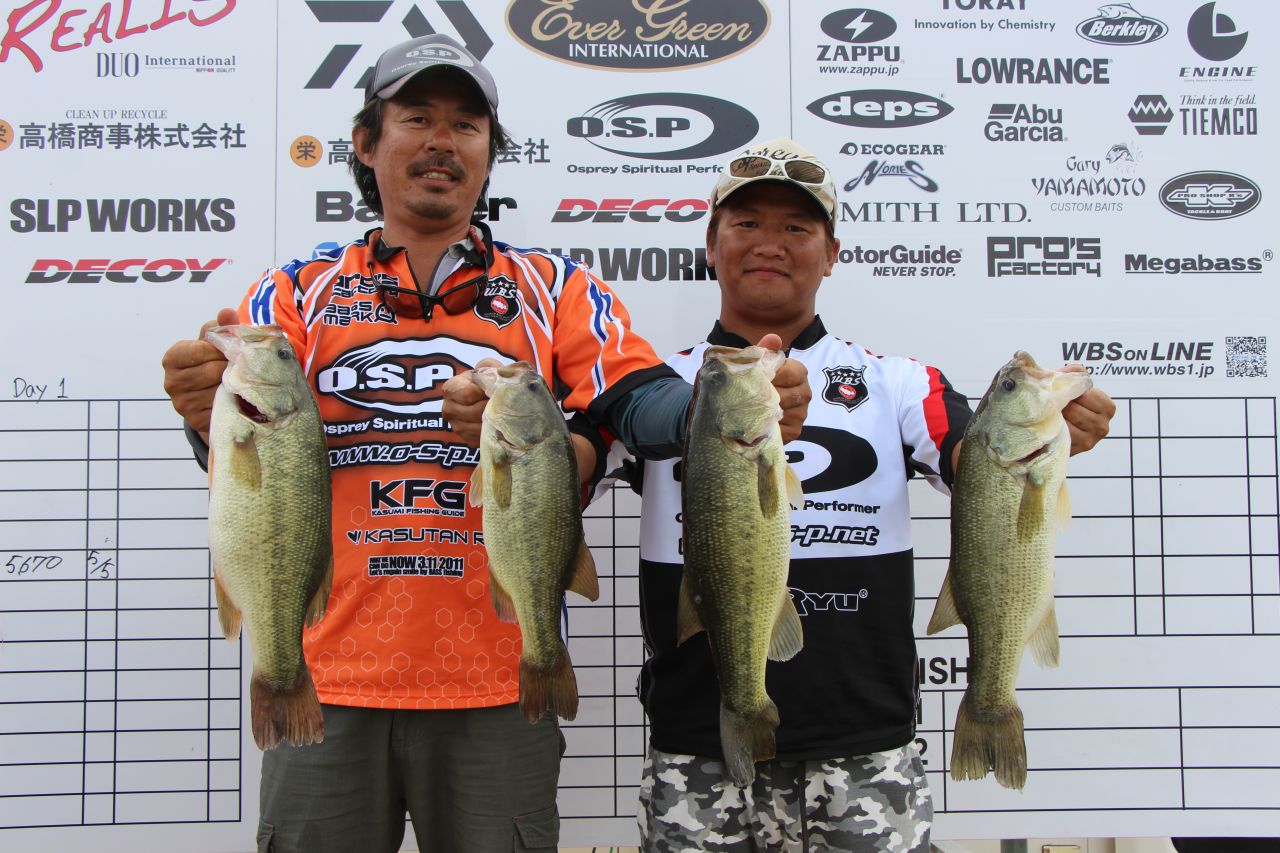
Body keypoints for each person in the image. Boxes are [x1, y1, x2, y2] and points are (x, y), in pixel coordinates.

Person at [160, 35, 809, 853]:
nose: (443, 140)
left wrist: (722, 413)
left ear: (490, 153)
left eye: (466, 125)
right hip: (325, 677)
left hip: (501, 682)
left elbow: (639, 399)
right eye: (417, 118)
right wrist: (201, 411)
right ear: (366, 143)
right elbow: (250, 469)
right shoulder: (292, 294)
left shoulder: (557, 288)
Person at [625, 137, 1117, 852]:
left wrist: (1051, 434)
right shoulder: (649, 390)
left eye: (797, 227)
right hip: (697, 744)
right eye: (747, 222)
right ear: (711, 244)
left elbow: (974, 460)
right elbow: (566, 468)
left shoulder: (900, 382)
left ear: (832, 253)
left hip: (867, 748)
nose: (770, 243)